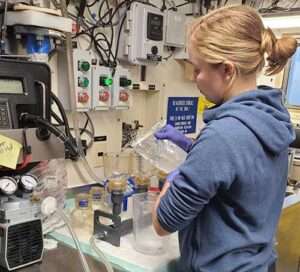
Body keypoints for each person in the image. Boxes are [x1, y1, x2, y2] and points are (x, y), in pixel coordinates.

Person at [152, 5, 297, 272]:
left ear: (228, 71)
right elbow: (240, 172)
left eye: (198, 69)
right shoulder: (271, 118)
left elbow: (164, 222)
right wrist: (197, 150)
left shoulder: (222, 135)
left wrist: (175, 178)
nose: (195, 78)